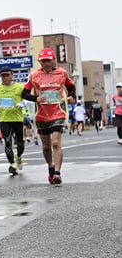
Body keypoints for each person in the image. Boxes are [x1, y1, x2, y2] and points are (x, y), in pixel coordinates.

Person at [21, 48, 76, 185]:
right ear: (39, 61)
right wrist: (36, 98)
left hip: (58, 112)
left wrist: (71, 96)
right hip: (41, 114)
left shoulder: (62, 73)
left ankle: (57, 173)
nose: (46, 63)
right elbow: (24, 93)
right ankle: (51, 167)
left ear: (53, 60)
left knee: (56, 143)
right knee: (46, 146)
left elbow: (71, 87)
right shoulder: (34, 76)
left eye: (48, 60)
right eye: (43, 61)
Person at [0, 67, 26, 175]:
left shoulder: (20, 87)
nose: (5, 78)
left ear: (12, 75)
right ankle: (12, 164)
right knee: (7, 141)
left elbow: (27, 99)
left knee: (20, 144)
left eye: (7, 75)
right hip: (4, 119)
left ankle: (19, 156)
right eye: (3, 76)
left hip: (17, 119)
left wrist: (23, 103)